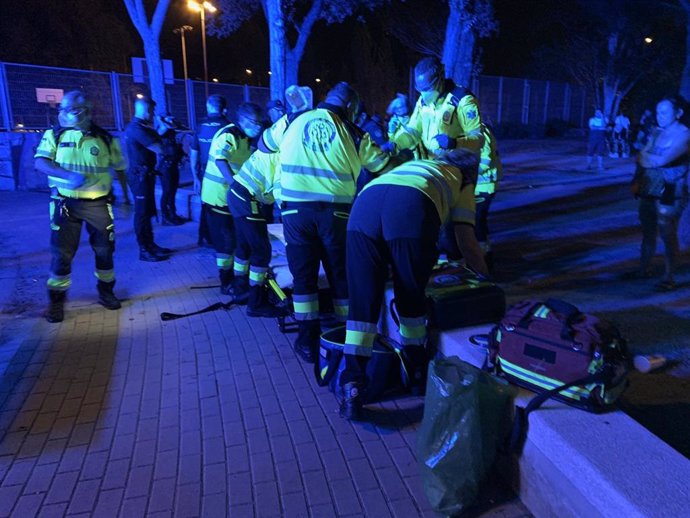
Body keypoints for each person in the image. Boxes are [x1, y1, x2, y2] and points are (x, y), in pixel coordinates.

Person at [339, 150, 489, 420]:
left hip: (364, 206)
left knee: (362, 304)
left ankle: (352, 384)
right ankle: (415, 373)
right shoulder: (463, 181)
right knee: (410, 297)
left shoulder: (421, 165)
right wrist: (483, 277)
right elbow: (465, 239)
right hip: (410, 207)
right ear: (471, 173)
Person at [259, 82, 392, 363]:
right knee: (340, 275)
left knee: (304, 276)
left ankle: (307, 339)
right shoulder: (354, 132)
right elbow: (382, 167)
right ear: (351, 107)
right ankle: (345, 334)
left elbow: (263, 144)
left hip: (296, 214)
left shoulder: (293, 119)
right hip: (336, 215)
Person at [388, 57, 502, 267]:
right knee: (438, 223)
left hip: (459, 171)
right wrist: (395, 143)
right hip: (435, 171)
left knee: (457, 226)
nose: (423, 94)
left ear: (439, 81)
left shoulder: (462, 100)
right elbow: (413, 131)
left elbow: (477, 138)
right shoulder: (423, 102)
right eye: (419, 89)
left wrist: (455, 142)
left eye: (427, 89)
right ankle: (446, 266)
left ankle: (468, 268)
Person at [34, 90, 127, 322]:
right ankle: (56, 303)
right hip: (65, 204)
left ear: (86, 110)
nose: (66, 113)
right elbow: (40, 162)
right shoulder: (54, 135)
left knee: (105, 250)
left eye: (72, 109)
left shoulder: (106, 139)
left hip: (98, 204)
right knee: (61, 254)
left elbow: (120, 170)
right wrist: (67, 175)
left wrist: (126, 198)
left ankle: (106, 292)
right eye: (63, 109)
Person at [201, 102, 263, 297]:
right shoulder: (229, 135)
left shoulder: (245, 138)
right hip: (217, 198)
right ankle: (225, 281)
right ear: (243, 120)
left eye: (259, 122)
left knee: (238, 241)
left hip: (233, 200)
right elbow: (221, 160)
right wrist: (235, 185)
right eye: (255, 122)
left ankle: (239, 281)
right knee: (226, 244)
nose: (258, 126)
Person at [629, 96, 690, 291]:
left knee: (667, 232)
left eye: (665, 112)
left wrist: (649, 158)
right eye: (658, 112)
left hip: (671, 187)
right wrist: (637, 178)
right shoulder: (656, 132)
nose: (660, 116)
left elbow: (660, 160)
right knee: (648, 231)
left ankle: (669, 276)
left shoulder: (684, 134)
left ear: (678, 113)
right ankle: (643, 269)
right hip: (649, 186)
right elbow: (641, 158)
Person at [227, 149, 286, 317]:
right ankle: (256, 302)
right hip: (247, 198)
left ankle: (240, 288)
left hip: (236, 193)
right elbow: (279, 191)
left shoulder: (273, 146)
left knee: (244, 245)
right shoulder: (285, 156)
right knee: (262, 251)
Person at [123, 95, 173, 262]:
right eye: (151, 111)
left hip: (145, 175)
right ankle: (144, 249)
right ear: (145, 110)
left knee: (148, 212)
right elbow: (158, 148)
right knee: (142, 214)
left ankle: (150, 245)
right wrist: (166, 142)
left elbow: (154, 139)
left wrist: (162, 130)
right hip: (140, 178)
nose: (152, 114)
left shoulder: (141, 127)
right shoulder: (136, 128)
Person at [190, 95, 229, 247]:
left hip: (204, 173)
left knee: (205, 205)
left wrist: (195, 178)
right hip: (222, 173)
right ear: (224, 109)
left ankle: (203, 237)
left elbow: (193, 153)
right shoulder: (228, 127)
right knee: (222, 208)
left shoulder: (200, 127)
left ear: (208, 107)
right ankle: (219, 240)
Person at [157, 114, 186, 226]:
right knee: (167, 192)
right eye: (171, 119)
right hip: (165, 167)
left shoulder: (172, 133)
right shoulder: (161, 130)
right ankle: (165, 217)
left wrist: (182, 155)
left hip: (173, 166)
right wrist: (161, 120)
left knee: (173, 192)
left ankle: (173, 214)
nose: (173, 121)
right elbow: (165, 128)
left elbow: (182, 130)